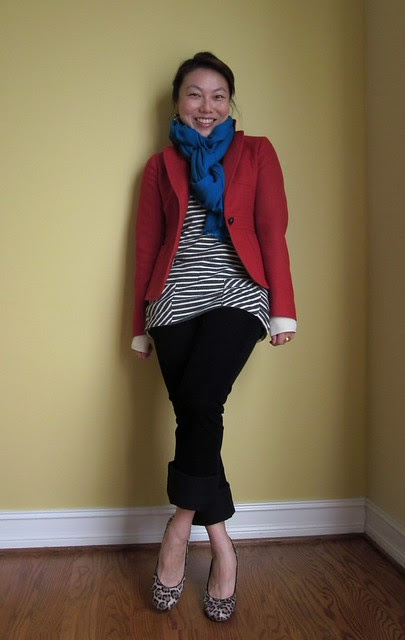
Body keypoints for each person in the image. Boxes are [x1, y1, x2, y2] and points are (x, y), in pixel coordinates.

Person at [132, 51, 296, 622]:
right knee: (197, 413)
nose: (207, 106)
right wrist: (138, 326)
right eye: (195, 95)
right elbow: (147, 248)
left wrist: (283, 311)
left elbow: (272, 230)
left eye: (218, 95)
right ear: (178, 102)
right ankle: (222, 542)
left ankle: (178, 530)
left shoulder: (257, 152)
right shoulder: (159, 166)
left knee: (200, 399)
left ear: (230, 102)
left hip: (238, 290)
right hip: (173, 296)